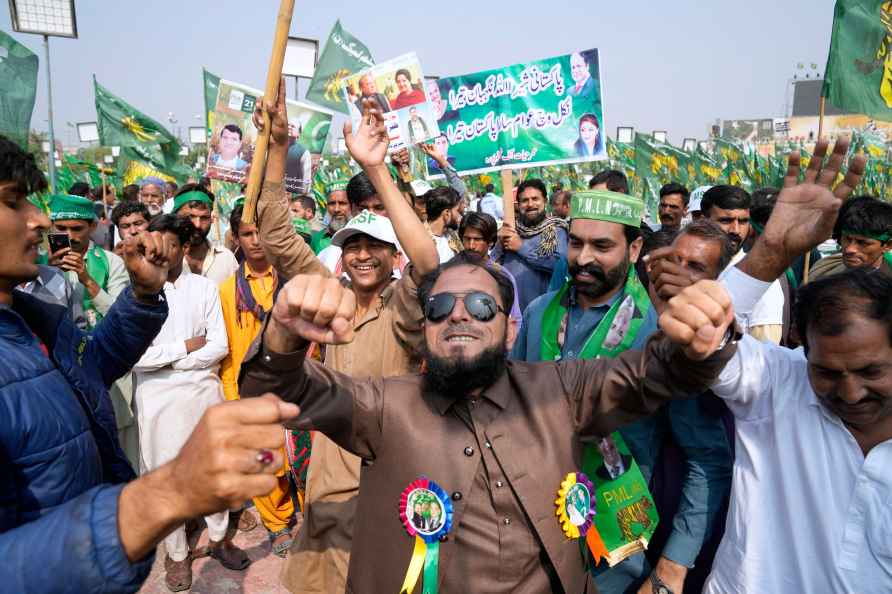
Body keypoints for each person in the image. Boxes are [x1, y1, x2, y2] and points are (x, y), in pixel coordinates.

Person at [239, 255, 739, 593]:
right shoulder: (383, 405)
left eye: (480, 306)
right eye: (440, 307)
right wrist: (283, 334)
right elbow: (277, 392)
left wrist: (696, 337)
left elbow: (653, 374)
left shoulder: (561, 389)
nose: (459, 316)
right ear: (425, 326)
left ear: (508, 324)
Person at [0, 134, 298, 594]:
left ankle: (216, 539)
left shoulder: (36, 320)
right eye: (14, 202)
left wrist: (141, 298)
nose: (40, 221)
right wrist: (165, 496)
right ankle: (177, 555)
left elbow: (97, 363)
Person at [251, 82, 440, 594]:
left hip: (393, 469)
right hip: (333, 469)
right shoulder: (327, 295)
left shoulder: (403, 305)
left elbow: (427, 262)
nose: (361, 255)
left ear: (390, 254)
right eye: (351, 245)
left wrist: (377, 169)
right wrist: (278, 149)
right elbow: (275, 234)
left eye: (373, 246)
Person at [513, 190, 732, 594]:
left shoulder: (662, 333)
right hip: (528, 532)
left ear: (634, 249)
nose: (582, 258)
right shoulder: (539, 313)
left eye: (602, 246)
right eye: (576, 242)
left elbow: (707, 459)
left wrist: (673, 567)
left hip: (612, 550)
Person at [696, 138, 889, 593]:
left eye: (870, 372)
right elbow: (701, 341)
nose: (849, 392)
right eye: (826, 372)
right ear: (802, 347)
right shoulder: (778, 383)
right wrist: (774, 250)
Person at [132, 214, 250, 590]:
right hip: (157, 397)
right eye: (155, 245)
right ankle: (177, 555)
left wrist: (170, 358)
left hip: (202, 390)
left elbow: (218, 346)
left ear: (183, 248)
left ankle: (218, 539)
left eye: (169, 245)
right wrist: (183, 348)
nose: (160, 253)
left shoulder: (203, 289)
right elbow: (136, 356)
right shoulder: (137, 293)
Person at [219, 204, 296, 558]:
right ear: (236, 238)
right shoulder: (225, 291)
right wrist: (232, 392)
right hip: (248, 388)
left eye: (260, 233)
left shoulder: (292, 280)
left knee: (301, 456)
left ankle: (309, 515)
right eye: (247, 234)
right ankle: (278, 524)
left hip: (295, 384)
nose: (255, 241)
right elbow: (229, 350)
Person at [702, 185, 784, 343]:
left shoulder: (759, 277)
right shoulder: (690, 267)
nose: (735, 230)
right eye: (726, 220)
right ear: (704, 221)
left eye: (743, 221)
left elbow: (764, 352)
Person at [47, 193, 130, 329]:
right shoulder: (38, 262)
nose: (69, 236)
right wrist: (49, 273)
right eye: (61, 228)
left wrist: (87, 280)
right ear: (51, 226)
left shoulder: (112, 262)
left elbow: (119, 316)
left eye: (77, 229)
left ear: (92, 226)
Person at [492, 178, 568, 312]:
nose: (530, 204)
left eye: (535, 199)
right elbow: (492, 265)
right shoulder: (510, 230)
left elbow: (560, 266)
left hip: (543, 311)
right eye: (525, 200)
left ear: (545, 201)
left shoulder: (557, 230)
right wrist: (499, 241)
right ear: (518, 204)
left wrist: (521, 247)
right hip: (510, 310)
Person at [809, 195, 892, 281]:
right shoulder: (823, 272)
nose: (849, 249)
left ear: (888, 245)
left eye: (862, 243)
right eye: (847, 239)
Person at [459, 213, 523, 324]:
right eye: (467, 239)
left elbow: (515, 318)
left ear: (491, 242)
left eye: (477, 239)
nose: (471, 245)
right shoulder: (451, 271)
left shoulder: (502, 276)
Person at [173, 184, 239, 286]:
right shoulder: (167, 260)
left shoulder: (226, 259)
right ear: (175, 216)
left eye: (204, 218)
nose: (197, 225)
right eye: (190, 217)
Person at [310, 180, 351, 255]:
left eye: (342, 203)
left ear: (353, 205)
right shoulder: (317, 238)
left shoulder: (363, 234)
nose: (336, 209)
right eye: (331, 204)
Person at [424, 186, 462, 263]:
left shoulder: (452, 235)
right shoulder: (421, 239)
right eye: (457, 211)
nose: (460, 216)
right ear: (447, 213)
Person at [286, 122, 312, 191]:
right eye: (288, 125)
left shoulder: (304, 152)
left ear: (299, 133)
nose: (289, 127)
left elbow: (306, 180)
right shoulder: (274, 147)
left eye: (293, 126)